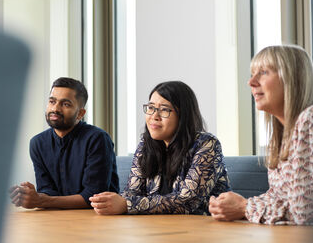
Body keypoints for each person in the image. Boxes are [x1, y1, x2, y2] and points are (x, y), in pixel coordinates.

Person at [209, 45, 313, 225]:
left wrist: (244, 207)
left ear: (293, 79)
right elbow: (279, 197)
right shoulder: (282, 132)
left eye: (264, 72)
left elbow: (306, 213)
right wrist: (233, 205)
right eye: (252, 73)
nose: (251, 82)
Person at [90, 81, 230, 215]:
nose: (154, 116)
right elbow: (132, 192)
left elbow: (188, 201)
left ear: (183, 115)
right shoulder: (146, 144)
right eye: (151, 108)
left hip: (201, 228)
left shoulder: (207, 144)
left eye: (164, 110)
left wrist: (126, 205)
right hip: (156, 227)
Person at [9, 77, 119, 209]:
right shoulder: (37, 143)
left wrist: (42, 201)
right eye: (52, 101)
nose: (55, 109)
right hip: (57, 216)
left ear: (80, 113)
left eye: (65, 104)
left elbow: (93, 197)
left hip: (98, 218)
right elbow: (47, 190)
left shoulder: (97, 139)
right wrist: (30, 196)